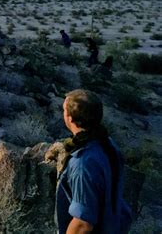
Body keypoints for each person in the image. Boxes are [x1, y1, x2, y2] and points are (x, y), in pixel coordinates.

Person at [56, 89, 132, 234]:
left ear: (70, 118)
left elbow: (83, 223)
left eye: (64, 110)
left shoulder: (83, 163)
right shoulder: (108, 144)